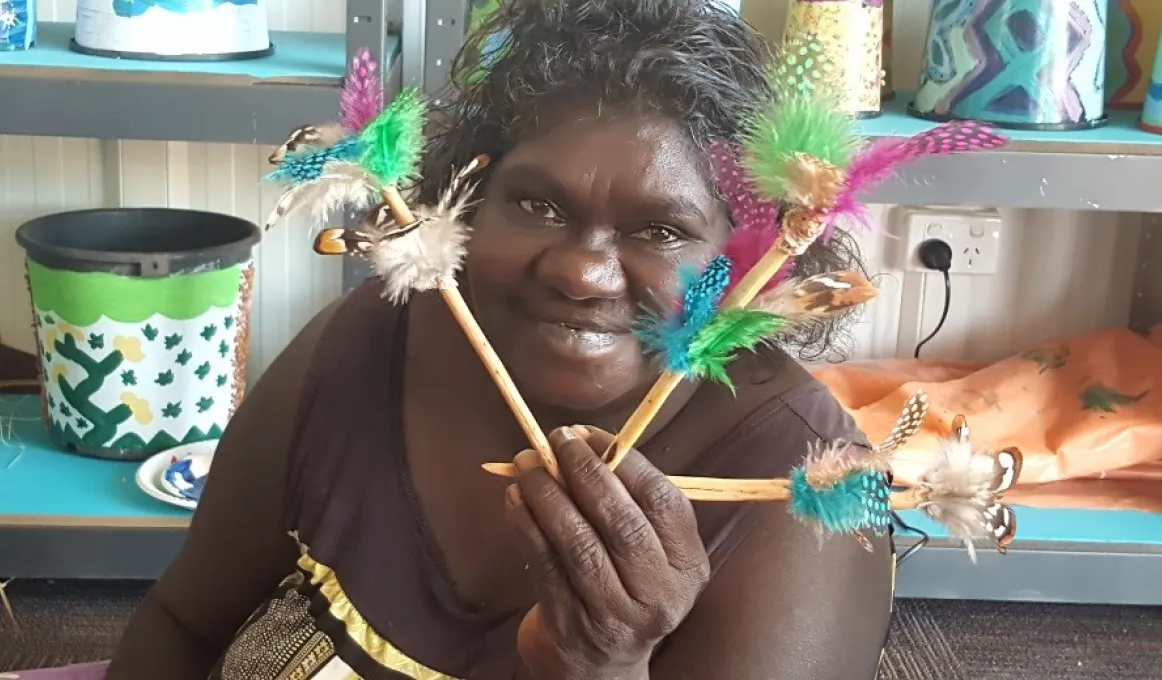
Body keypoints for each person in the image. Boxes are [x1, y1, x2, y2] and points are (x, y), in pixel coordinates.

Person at [107, 1, 892, 678]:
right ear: (472, 201)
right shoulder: (372, 339)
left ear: (748, 260)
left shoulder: (804, 497)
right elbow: (182, 623)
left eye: (659, 229)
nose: (583, 272)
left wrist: (602, 668)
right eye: (539, 207)